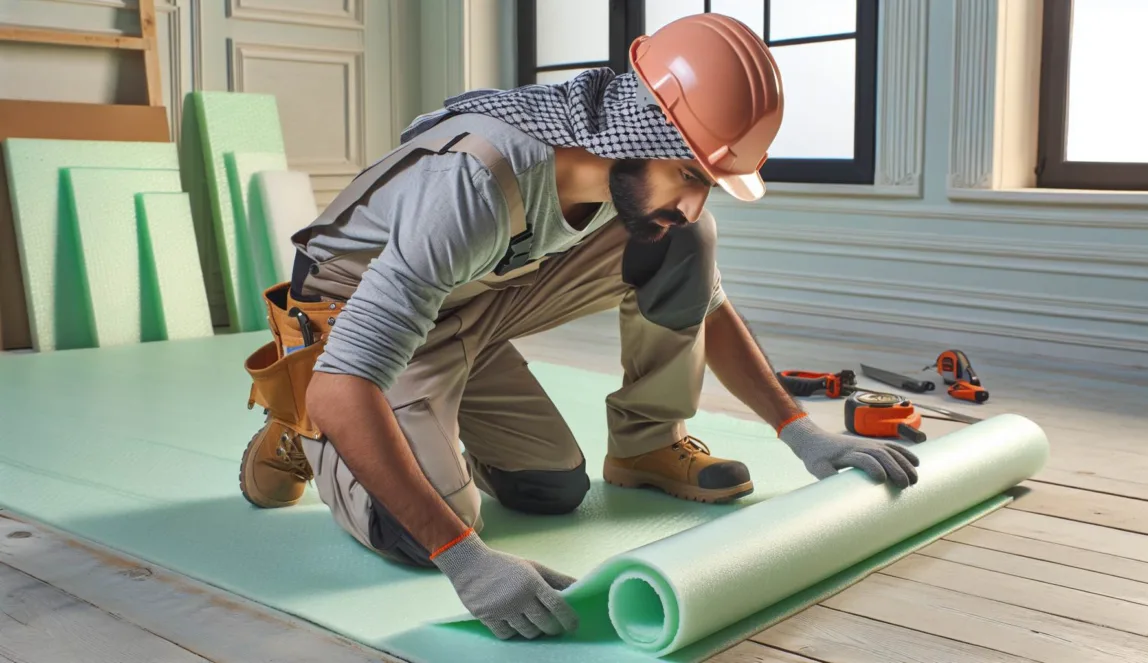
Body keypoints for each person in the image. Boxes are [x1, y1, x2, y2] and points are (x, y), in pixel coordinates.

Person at [238, 12, 919, 643]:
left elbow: (706, 303)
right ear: (637, 131)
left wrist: (800, 432)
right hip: (351, 327)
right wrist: (465, 559)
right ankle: (296, 425)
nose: (692, 198)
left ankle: (647, 444)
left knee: (553, 486)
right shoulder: (473, 185)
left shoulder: (612, 175)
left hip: (473, 299)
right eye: (687, 172)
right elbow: (345, 384)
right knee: (422, 532)